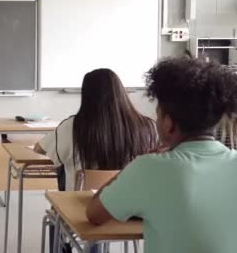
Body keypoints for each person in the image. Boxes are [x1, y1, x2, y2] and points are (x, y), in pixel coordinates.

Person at [87, 58, 237, 253]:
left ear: (168, 123)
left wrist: (137, 164)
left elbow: (95, 213)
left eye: (158, 114)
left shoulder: (149, 168)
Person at [34, 68, 157, 191]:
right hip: (131, 207)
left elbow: (39, 150)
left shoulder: (72, 127)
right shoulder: (149, 127)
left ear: (86, 96)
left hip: (80, 207)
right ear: (121, 91)